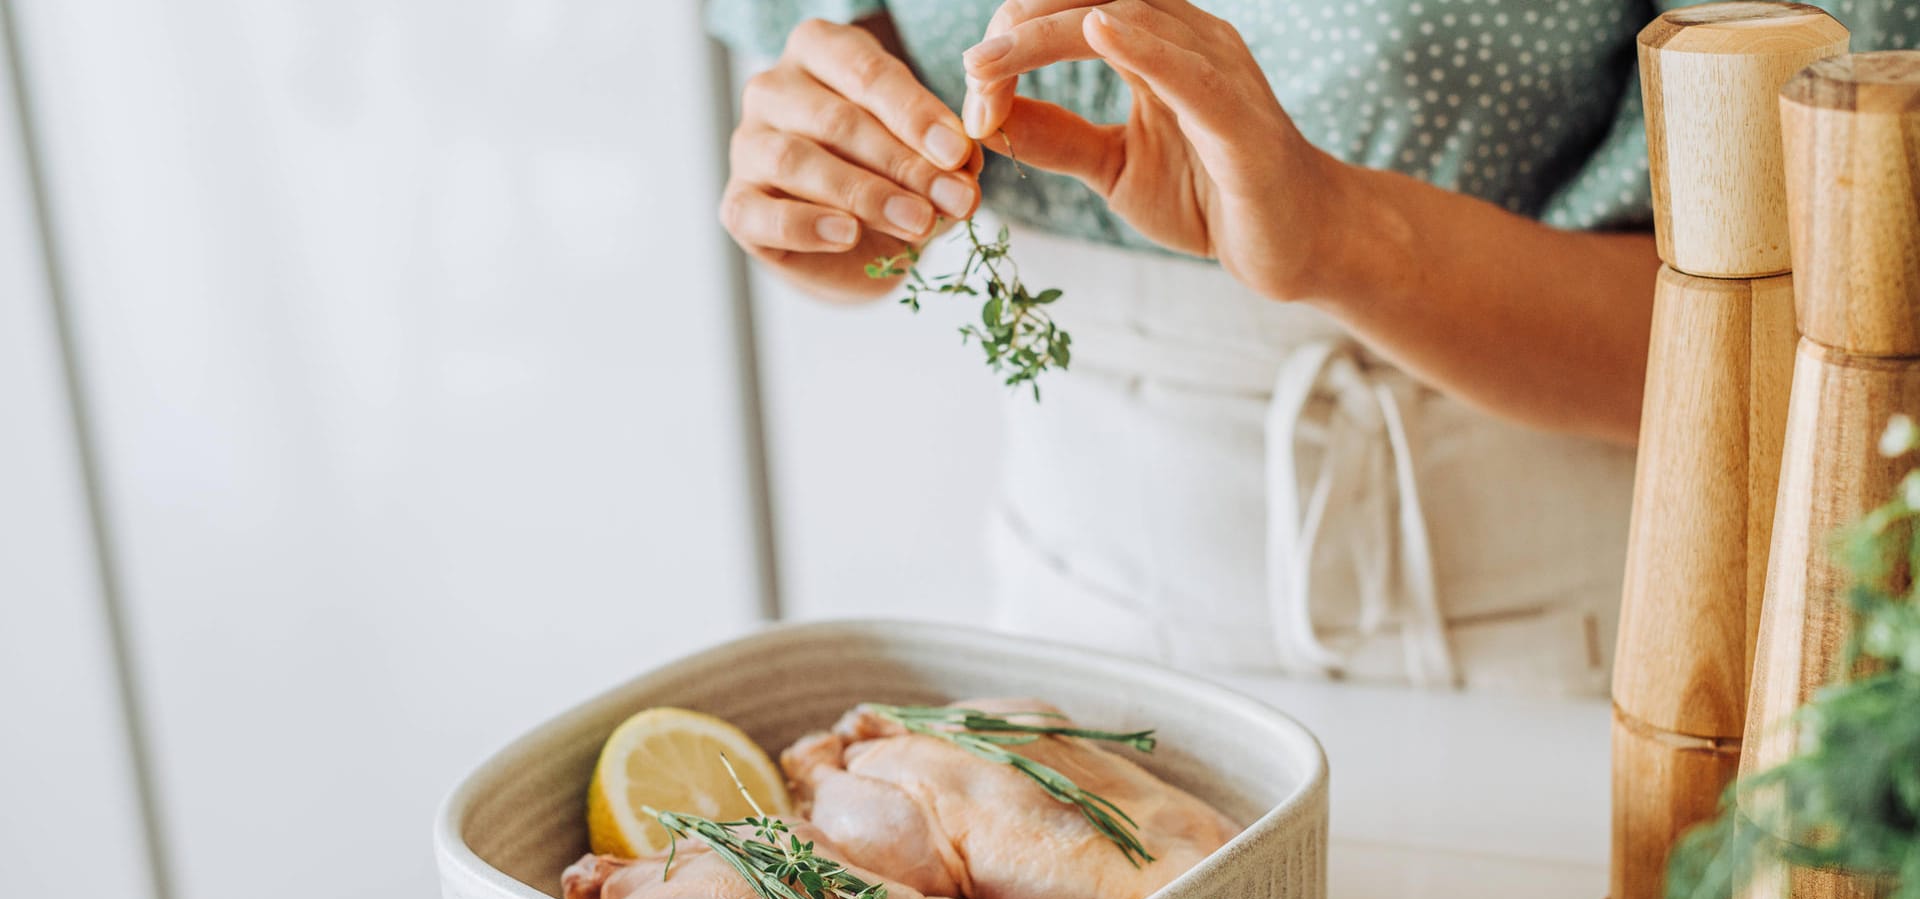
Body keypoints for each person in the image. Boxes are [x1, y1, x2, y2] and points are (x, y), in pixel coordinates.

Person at [706, 0, 1918, 696]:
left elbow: (1798, 332)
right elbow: (848, 111)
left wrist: (1340, 234)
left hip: (1572, 647)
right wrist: (836, 211)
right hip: (1072, 617)